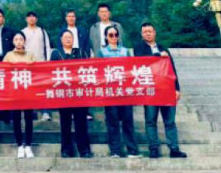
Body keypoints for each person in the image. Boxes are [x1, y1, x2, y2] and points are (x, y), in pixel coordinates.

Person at [133, 22, 187, 159]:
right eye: (145, 32)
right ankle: (153, 149)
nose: (148, 34)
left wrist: (177, 88)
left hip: (167, 89)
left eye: (150, 31)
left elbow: (172, 68)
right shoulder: (139, 48)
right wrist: (159, 56)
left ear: (154, 32)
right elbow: (142, 62)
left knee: (170, 122)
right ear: (141, 34)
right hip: (150, 90)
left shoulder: (164, 48)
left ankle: (174, 149)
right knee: (151, 121)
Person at [97, 25, 140, 158]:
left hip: (125, 91)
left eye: (116, 35)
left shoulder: (125, 51)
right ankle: (115, 150)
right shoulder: (102, 52)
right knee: (112, 121)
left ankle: (132, 150)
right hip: (110, 91)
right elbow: (99, 70)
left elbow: (131, 68)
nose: (114, 37)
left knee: (128, 121)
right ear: (106, 37)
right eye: (111, 35)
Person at [50, 30, 93, 158]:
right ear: (61, 39)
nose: (68, 39)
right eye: (66, 37)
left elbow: (88, 69)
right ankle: (66, 150)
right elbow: (50, 71)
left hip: (79, 94)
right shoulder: (56, 53)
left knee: (81, 123)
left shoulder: (81, 52)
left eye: (70, 37)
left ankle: (84, 149)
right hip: (63, 94)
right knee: (65, 123)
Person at [3, 31, 36, 158]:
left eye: (21, 39)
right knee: (16, 119)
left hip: (28, 91)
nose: (18, 41)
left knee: (28, 119)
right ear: (13, 42)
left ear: (24, 41)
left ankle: (28, 145)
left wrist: (32, 66)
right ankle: (19, 145)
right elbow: (3, 71)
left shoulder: (31, 55)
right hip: (14, 91)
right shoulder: (9, 55)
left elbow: (38, 72)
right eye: (16, 39)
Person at [21, 11, 52, 121]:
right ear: (26, 19)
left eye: (33, 16)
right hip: (28, 64)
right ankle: (32, 112)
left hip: (41, 63)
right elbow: (20, 47)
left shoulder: (42, 31)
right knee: (29, 89)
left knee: (44, 88)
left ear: (36, 19)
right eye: (29, 17)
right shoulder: (23, 32)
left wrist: (48, 61)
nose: (31, 18)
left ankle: (46, 112)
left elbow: (47, 47)